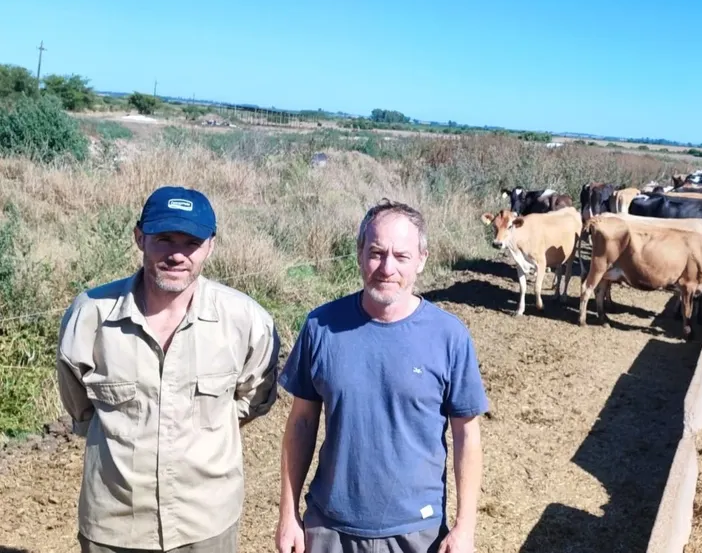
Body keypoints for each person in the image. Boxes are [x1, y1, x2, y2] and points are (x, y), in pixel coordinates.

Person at [56, 185, 282, 553]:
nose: (177, 255)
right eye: (164, 239)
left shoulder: (246, 321)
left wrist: (210, 425)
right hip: (115, 525)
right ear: (139, 238)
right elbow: (80, 406)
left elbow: (254, 397)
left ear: (210, 246)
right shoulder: (90, 317)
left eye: (191, 243)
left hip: (205, 524)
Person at [275, 199, 489, 553]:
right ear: (360, 254)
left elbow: (466, 435)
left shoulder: (449, 336)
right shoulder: (321, 326)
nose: (387, 268)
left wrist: (465, 527)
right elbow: (301, 422)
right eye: (376, 253)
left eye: (401, 256)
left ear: (421, 260)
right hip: (330, 529)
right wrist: (288, 514)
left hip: (417, 532)